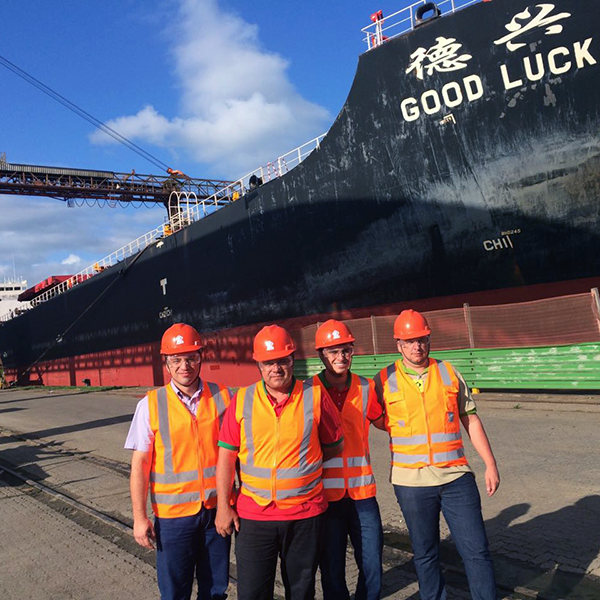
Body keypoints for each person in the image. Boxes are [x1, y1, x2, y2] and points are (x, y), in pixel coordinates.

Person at [374, 310, 500, 600]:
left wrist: (490, 464)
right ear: (398, 345)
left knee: (476, 550)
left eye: (421, 340)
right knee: (425, 553)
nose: (416, 346)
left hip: (456, 477)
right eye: (409, 341)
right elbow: (377, 419)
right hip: (411, 483)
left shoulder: (448, 372)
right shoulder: (384, 379)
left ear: (429, 339)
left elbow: (471, 419)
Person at [215, 324, 344, 600]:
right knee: (252, 594)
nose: (276, 368)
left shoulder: (315, 396)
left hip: (304, 514)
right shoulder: (242, 400)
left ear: (292, 359)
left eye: (282, 361)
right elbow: (226, 456)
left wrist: (301, 474)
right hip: (254, 516)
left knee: (301, 592)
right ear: (258, 365)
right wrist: (223, 506)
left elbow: (334, 446)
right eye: (268, 362)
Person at [124, 323, 232, 600]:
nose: (185, 366)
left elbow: (238, 454)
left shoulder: (223, 396)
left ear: (201, 357)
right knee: (174, 593)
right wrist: (139, 517)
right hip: (173, 519)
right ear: (167, 363)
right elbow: (140, 466)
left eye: (191, 358)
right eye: (176, 359)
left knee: (216, 590)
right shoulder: (150, 405)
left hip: (216, 512)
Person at [312, 320, 385, 600]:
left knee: (372, 564)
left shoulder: (366, 388)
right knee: (332, 570)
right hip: (325, 497)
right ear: (322, 355)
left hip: (362, 493)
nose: (341, 357)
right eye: (333, 351)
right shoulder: (307, 392)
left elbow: (386, 422)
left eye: (346, 350)